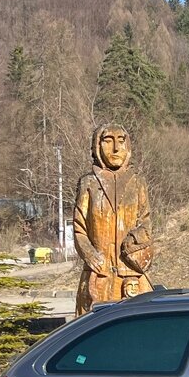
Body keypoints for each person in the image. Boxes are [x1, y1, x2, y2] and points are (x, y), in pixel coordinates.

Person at [73, 124, 153, 316]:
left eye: (121, 141)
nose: (116, 148)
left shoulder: (137, 182)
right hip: (98, 275)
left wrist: (134, 240)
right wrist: (90, 254)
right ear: (97, 146)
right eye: (108, 141)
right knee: (92, 330)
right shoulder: (88, 183)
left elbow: (146, 222)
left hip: (131, 273)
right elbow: (79, 227)